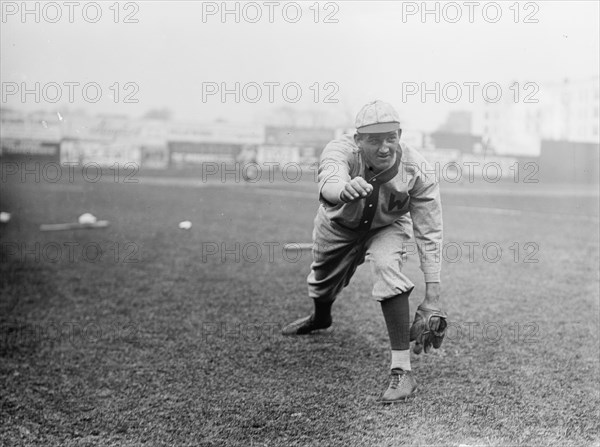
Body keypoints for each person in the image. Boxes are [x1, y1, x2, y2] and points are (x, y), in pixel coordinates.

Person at [282, 100, 448, 404]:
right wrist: (341, 190)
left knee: (388, 268)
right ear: (358, 140)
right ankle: (321, 317)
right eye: (373, 140)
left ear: (400, 135)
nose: (384, 147)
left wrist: (433, 298)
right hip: (338, 227)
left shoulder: (417, 168)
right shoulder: (340, 149)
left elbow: (430, 232)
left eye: (390, 138)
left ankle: (403, 371)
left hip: (388, 226)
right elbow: (330, 178)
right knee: (322, 281)